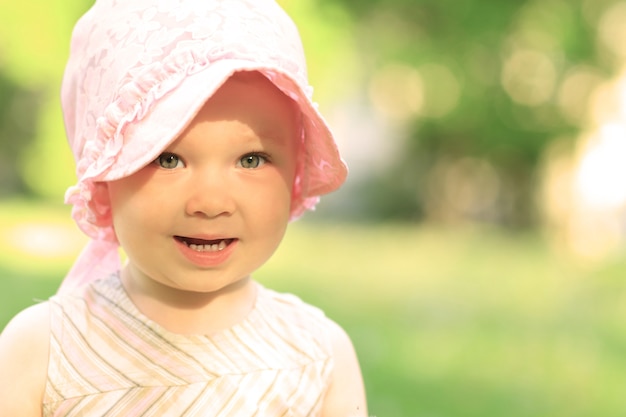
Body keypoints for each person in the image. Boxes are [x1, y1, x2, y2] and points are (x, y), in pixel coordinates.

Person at [0, 0, 368, 415]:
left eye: (251, 159)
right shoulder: (44, 353)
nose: (210, 203)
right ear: (104, 173)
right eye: (167, 158)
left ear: (295, 170)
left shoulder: (317, 357)